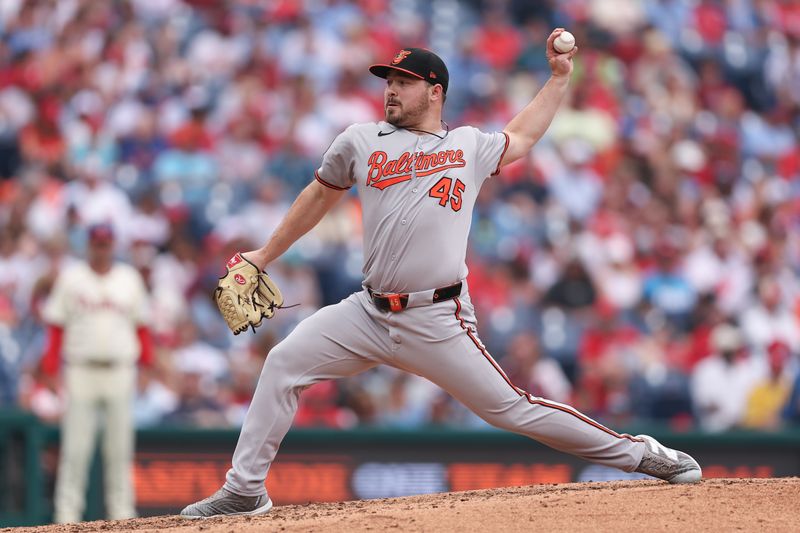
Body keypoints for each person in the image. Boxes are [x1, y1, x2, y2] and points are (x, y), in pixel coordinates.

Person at [181, 30, 701, 519]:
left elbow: (520, 135)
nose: (390, 90)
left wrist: (560, 79)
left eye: (403, 82)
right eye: (388, 81)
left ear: (435, 92)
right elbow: (319, 194)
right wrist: (264, 255)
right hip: (367, 311)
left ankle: (642, 454)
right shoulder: (360, 140)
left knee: (512, 409)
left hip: (438, 317)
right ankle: (245, 490)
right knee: (282, 363)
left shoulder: (468, 146)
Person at [41, 223, 154, 523]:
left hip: (120, 369)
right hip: (80, 370)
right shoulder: (72, 278)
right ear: (89, 245)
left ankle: (123, 514)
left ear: (112, 246)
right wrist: (51, 368)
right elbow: (56, 327)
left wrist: (146, 365)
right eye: (97, 244)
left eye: (106, 244)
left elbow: (141, 327)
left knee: (119, 449)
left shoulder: (128, 279)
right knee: (75, 448)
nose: (101, 249)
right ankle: (66, 516)